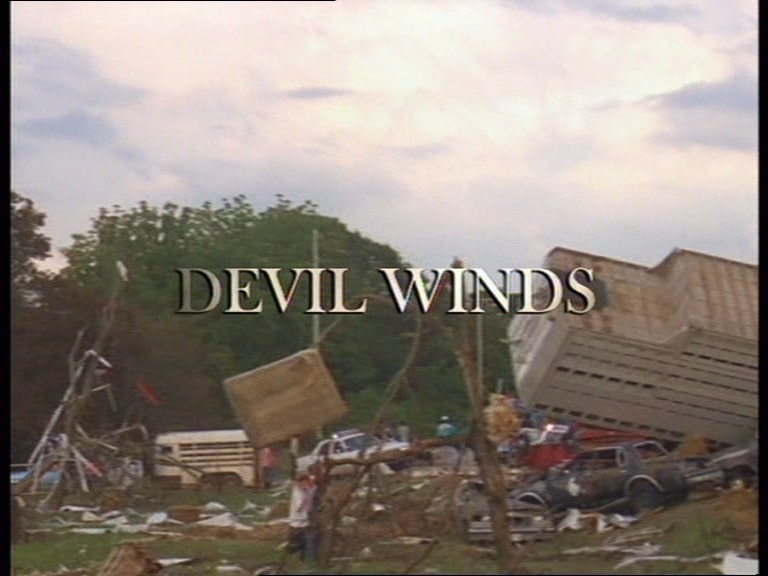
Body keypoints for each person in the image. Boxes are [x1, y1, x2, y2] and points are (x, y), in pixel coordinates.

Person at [287, 468, 317, 561]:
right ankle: (304, 558)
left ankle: (305, 558)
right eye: (304, 483)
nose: (306, 485)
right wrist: (307, 497)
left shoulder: (307, 489)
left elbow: (314, 486)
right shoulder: (297, 493)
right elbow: (300, 508)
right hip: (298, 521)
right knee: (301, 540)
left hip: (305, 520)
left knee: (306, 540)